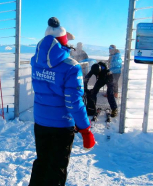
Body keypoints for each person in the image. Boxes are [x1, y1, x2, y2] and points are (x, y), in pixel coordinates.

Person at [29, 17, 95, 186]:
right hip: (61, 126)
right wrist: (86, 130)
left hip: (41, 122)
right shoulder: (71, 66)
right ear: (63, 41)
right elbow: (73, 101)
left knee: (42, 163)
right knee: (57, 168)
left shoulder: (35, 61)